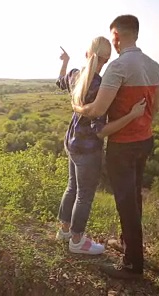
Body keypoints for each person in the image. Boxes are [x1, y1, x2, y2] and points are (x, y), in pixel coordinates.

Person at [73, 15, 159, 278]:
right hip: (145, 139)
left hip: (122, 145)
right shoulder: (154, 66)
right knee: (134, 197)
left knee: (125, 202)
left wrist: (77, 106)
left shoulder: (118, 67)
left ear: (116, 36)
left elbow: (97, 110)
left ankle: (133, 265)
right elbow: (155, 109)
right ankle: (129, 245)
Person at [55, 36, 147, 255]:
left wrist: (65, 61)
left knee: (72, 187)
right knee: (84, 195)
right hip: (88, 150)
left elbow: (60, 81)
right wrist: (132, 115)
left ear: (87, 54)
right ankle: (77, 241)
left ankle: (64, 230)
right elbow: (101, 130)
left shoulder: (75, 75)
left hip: (72, 143)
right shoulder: (101, 87)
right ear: (106, 60)